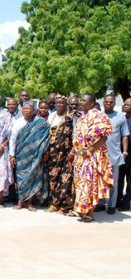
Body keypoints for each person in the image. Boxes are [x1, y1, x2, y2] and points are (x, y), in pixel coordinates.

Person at [67, 93, 113, 222]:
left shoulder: (99, 116)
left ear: (92, 103)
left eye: (84, 101)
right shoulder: (82, 117)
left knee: (91, 183)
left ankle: (90, 212)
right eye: (81, 100)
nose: (81, 103)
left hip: (93, 156)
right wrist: (73, 152)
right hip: (81, 156)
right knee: (81, 184)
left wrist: (91, 149)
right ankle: (81, 210)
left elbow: (104, 136)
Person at [9, 104, 50, 212]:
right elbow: (13, 139)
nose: (25, 110)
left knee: (33, 178)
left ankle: (30, 203)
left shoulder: (41, 123)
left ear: (33, 111)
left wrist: (45, 153)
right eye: (24, 109)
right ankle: (20, 201)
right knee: (21, 179)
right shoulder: (18, 122)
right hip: (21, 155)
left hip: (35, 157)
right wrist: (12, 154)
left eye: (28, 109)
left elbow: (45, 140)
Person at [95, 94, 129, 214]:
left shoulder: (120, 117)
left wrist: (124, 152)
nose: (108, 104)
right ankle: (101, 203)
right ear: (103, 102)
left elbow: (125, 135)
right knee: (100, 180)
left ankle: (112, 205)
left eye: (111, 102)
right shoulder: (98, 116)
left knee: (113, 182)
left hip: (114, 155)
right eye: (107, 102)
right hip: (99, 155)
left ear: (114, 103)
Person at [44, 95, 77, 214]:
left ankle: (65, 206)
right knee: (53, 178)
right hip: (53, 152)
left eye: (61, 103)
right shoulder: (51, 116)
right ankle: (55, 204)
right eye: (57, 103)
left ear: (66, 104)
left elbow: (76, 134)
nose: (58, 105)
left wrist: (73, 151)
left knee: (65, 179)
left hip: (66, 152)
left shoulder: (72, 117)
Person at [118, 98, 131, 211]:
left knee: (130, 181)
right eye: (125, 104)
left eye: (128, 104)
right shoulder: (121, 118)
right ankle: (117, 201)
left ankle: (126, 203)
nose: (126, 106)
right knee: (119, 179)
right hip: (121, 153)